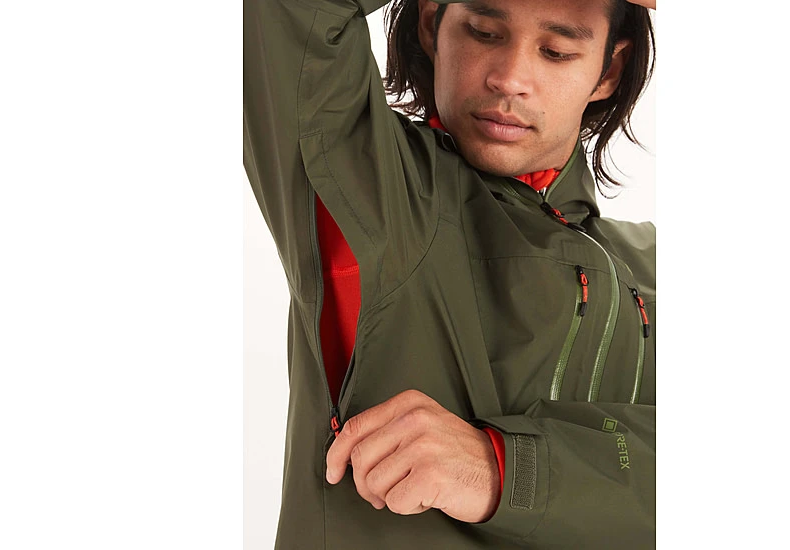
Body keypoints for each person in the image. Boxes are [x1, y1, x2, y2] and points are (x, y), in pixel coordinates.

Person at [243, 0, 655, 547]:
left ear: (608, 70)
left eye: (555, 52)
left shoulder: (653, 260)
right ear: (432, 24)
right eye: (483, 32)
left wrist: (506, 467)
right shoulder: (377, 188)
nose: (509, 79)